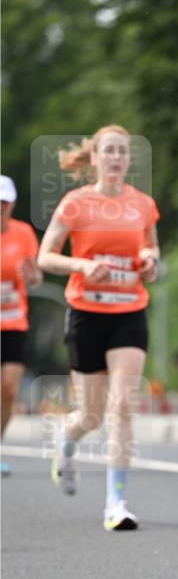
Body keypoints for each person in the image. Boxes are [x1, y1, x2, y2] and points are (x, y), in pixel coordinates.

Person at [37, 125, 160, 530]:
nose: (116, 158)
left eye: (122, 152)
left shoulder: (142, 204)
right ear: (94, 158)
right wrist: (83, 265)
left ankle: (115, 503)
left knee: (122, 404)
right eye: (108, 151)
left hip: (129, 311)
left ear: (128, 159)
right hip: (86, 312)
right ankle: (66, 439)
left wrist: (149, 260)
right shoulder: (75, 203)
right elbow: (45, 257)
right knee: (90, 415)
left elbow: (152, 251)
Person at [1, 175, 42, 476]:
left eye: (3, 202)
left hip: (14, 320)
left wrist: (31, 275)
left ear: (12, 203)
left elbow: (36, 277)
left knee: (9, 390)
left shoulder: (24, 233)